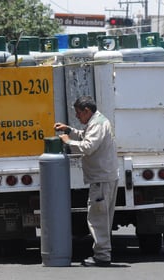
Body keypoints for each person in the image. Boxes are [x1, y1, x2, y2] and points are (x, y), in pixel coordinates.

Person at [54, 95, 119, 267]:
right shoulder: (97, 122)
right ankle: (103, 253)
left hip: (101, 179)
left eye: (78, 113)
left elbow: (88, 147)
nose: (77, 117)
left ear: (87, 111)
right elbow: (85, 135)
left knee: (97, 219)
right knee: (102, 218)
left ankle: (102, 256)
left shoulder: (97, 124)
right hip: (105, 177)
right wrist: (70, 130)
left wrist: (68, 142)